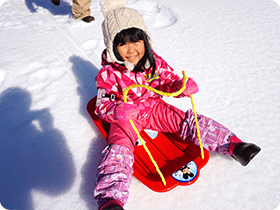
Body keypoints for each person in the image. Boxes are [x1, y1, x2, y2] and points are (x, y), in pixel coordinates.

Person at [93, 0, 261, 209]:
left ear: (145, 39)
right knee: (120, 147)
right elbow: (102, 105)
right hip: (126, 115)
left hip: (153, 108)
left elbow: (166, 81)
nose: (132, 49)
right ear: (112, 46)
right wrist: (118, 109)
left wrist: (180, 87)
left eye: (137, 41)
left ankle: (233, 145)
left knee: (186, 122)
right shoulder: (108, 74)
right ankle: (111, 198)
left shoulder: (152, 62)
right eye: (123, 43)